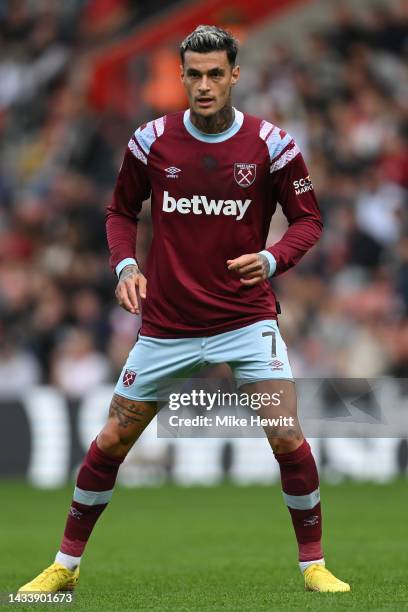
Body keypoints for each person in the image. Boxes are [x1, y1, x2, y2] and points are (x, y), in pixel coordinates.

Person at [19, 25, 350, 594]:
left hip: (247, 321)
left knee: (288, 438)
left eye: (215, 74)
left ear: (235, 76)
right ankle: (64, 567)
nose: (204, 85)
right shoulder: (151, 141)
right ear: (181, 77)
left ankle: (314, 565)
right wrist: (125, 266)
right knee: (113, 440)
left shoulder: (271, 145)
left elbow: (310, 220)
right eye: (193, 75)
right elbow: (120, 212)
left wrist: (272, 260)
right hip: (166, 325)